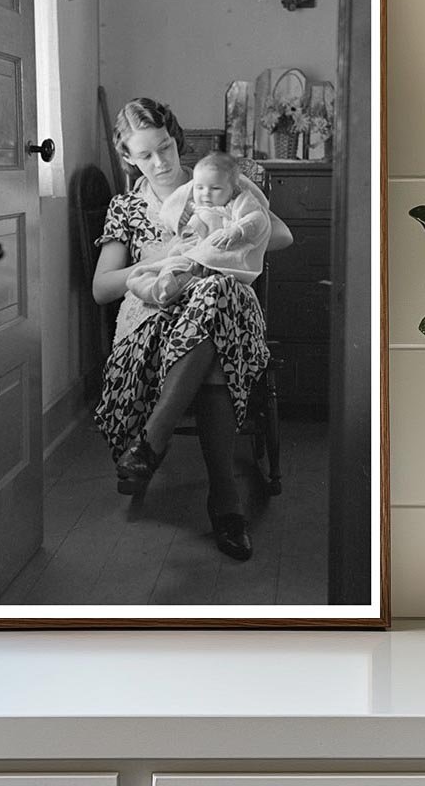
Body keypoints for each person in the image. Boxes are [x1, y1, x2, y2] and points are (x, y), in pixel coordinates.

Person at [92, 98, 293, 561]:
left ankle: (152, 439)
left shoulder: (214, 182)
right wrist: (165, 257)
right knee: (212, 333)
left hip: (223, 305)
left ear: (175, 138)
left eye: (164, 147)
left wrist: (224, 237)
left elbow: (280, 235)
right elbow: (103, 288)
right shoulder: (125, 206)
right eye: (145, 155)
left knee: (214, 296)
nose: (160, 162)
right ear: (128, 158)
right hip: (156, 318)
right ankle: (226, 503)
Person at [126, 151, 272, 307]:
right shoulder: (193, 206)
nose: (206, 194)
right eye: (199, 187)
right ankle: (157, 287)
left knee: (206, 258)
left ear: (232, 189)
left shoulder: (237, 202)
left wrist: (237, 230)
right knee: (165, 266)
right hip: (192, 250)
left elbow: (258, 218)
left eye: (215, 188)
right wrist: (179, 219)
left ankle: (183, 280)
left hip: (220, 249)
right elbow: (171, 212)